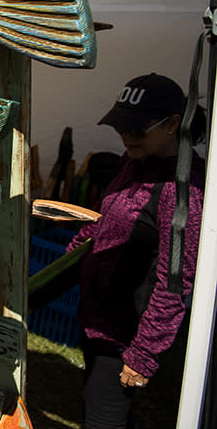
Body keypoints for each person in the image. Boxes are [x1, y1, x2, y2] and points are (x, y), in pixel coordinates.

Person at [66, 73, 206, 429]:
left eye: (137, 129)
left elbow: (176, 281)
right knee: (104, 408)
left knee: (103, 419)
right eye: (121, 127)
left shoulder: (183, 190)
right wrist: (57, 271)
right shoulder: (135, 161)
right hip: (99, 316)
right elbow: (98, 224)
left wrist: (143, 353)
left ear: (173, 124)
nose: (125, 136)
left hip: (125, 334)